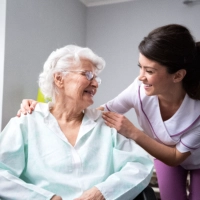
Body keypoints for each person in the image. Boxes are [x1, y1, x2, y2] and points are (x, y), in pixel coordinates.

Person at [18, 24, 200, 200]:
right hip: (165, 156)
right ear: (58, 79)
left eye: (149, 70)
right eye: (141, 67)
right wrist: (48, 109)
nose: (140, 76)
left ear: (177, 75)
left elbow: (170, 158)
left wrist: (133, 132)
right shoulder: (26, 122)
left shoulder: (197, 111)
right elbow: (103, 111)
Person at [0, 45, 153, 200]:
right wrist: (47, 198)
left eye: (96, 78)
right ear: (59, 79)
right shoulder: (26, 123)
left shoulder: (106, 123)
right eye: (87, 75)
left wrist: (101, 193)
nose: (95, 84)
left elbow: (140, 166)